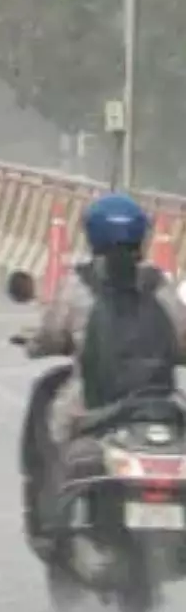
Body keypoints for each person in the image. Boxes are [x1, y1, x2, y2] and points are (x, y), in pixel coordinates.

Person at [21, 193, 186, 554]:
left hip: (92, 404)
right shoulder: (161, 287)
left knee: (53, 431)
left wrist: (35, 344)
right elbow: (182, 338)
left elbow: (52, 335)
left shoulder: (78, 287)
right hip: (158, 403)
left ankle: (50, 516)